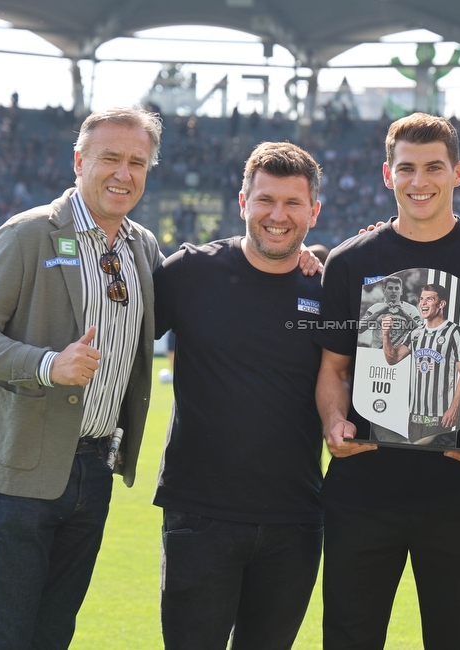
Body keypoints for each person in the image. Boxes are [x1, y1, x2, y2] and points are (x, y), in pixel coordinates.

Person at [0, 107, 164, 649]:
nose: (123, 173)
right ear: (79, 161)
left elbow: (212, 281)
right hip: (18, 467)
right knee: (6, 632)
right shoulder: (28, 234)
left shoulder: (143, 248)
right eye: (109, 158)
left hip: (95, 466)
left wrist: (295, 254)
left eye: (137, 161)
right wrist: (47, 365)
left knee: (54, 633)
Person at [315, 112, 460, 649]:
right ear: (387, 175)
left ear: (458, 172)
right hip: (362, 492)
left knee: (456, 640)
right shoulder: (349, 261)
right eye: (406, 168)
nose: (420, 181)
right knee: (349, 638)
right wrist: (333, 421)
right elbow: (333, 371)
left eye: (434, 167)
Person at [153, 142, 325, 649]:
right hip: (201, 514)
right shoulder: (188, 272)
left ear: (314, 211)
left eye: (293, 203)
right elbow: (121, 341)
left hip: (294, 518)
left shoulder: (331, 287)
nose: (278, 215)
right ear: (242, 201)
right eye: (265, 200)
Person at [383, 283, 460, 446]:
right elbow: (392, 359)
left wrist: (454, 408)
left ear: (441, 304)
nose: (422, 303)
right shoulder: (416, 333)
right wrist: (386, 335)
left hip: (440, 416)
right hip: (415, 416)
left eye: (429, 299)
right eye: (421, 299)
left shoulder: (455, 332)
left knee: (438, 466)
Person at [358, 275, 422, 350]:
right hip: (378, 353)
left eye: (397, 288)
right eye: (390, 288)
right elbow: (360, 329)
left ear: (401, 291)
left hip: (401, 355)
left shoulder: (411, 309)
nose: (394, 291)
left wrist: (406, 316)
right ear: (384, 290)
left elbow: (421, 333)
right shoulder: (375, 308)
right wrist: (379, 313)